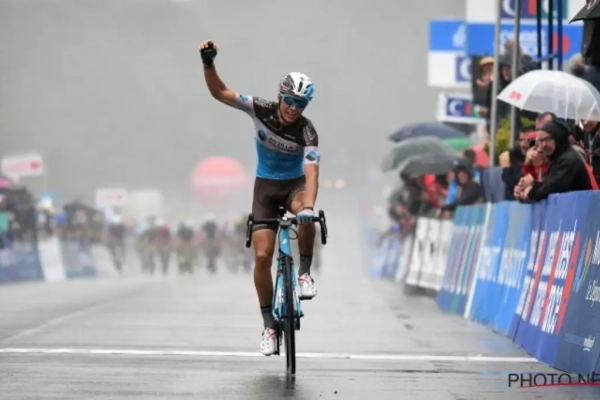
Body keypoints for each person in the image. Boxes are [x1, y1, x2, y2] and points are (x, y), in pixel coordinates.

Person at [199, 40, 321, 356]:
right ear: (280, 96)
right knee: (263, 256)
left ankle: (304, 273)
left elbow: (312, 174)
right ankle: (269, 325)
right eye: (290, 100)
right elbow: (219, 93)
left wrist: (308, 206)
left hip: (293, 186)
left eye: (301, 104)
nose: (294, 108)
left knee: (308, 214)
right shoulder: (260, 109)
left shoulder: (307, 132)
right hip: (265, 189)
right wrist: (209, 64)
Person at [516, 120, 596, 202]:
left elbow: (551, 188)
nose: (543, 145)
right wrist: (525, 190)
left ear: (558, 139)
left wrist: (530, 192)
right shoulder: (557, 160)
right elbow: (547, 185)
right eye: (541, 141)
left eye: (547, 139)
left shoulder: (569, 160)